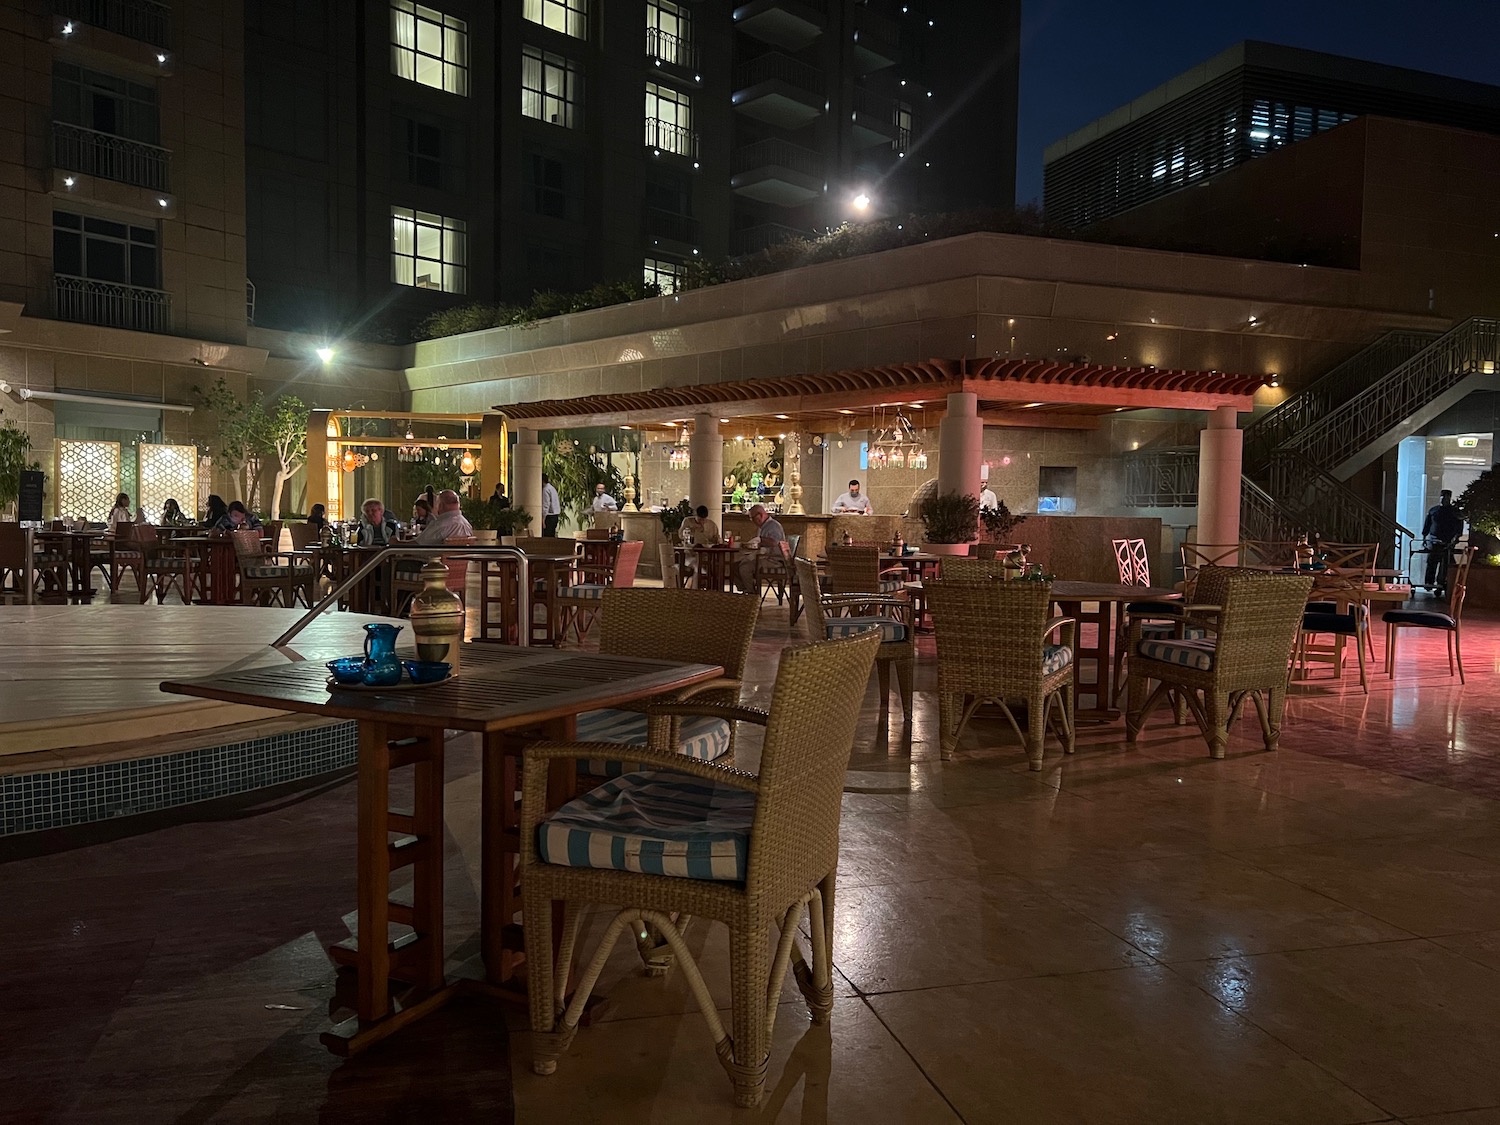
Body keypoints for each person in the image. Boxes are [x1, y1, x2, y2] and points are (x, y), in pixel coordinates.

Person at [734, 503, 787, 595]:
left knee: (744, 568)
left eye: (753, 518)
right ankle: (745, 588)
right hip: (763, 557)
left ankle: (751, 594)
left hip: (773, 559)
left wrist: (760, 540)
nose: (752, 521)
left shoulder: (774, 526)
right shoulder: (763, 527)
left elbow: (774, 542)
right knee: (735, 565)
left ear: (761, 515)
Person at [1422, 488, 1465, 592]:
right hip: (1434, 541)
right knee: (1432, 562)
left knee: (1445, 565)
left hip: (1447, 542)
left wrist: (1455, 539)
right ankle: (1429, 583)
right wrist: (1424, 538)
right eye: (1442, 497)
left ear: (1449, 499)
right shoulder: (1433, 510)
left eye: (1445, 498)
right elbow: (1427, 525)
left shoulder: (1454, 512)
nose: (1443, 499)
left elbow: (1459, 527)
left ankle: (1441, 584)